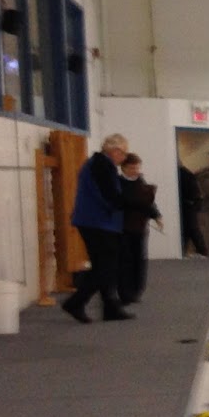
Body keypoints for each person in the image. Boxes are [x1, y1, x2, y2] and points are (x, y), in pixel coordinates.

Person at [63, 133, 137, 322]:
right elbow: (109, 196)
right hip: (97, 222)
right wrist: (131, 203)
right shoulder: (102, 165)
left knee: (104, 266)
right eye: (123, 153)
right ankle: (75, 302)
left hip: (96, 221)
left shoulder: (99, 164)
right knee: (105, 267)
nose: (124, 158)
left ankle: (110, 307)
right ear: (115, 151)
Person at [117, 154, 163, 305]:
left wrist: (157, 216)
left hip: (140, 226)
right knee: (125, 260)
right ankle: (125, 293)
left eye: (137, 167)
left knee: (140, 259)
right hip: (122, 227)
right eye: (131, 168)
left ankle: (137, 291)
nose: (135, 170)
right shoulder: (117, 183)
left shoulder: (141, 183)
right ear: (123, 168)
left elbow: (149, 203)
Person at [177, 162, 205, 257]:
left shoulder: (181, 174)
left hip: (189, 204)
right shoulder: (187, 173)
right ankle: (197, 250)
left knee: (191, 229)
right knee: (190, 229)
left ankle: (201, 250)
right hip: (192, 204)